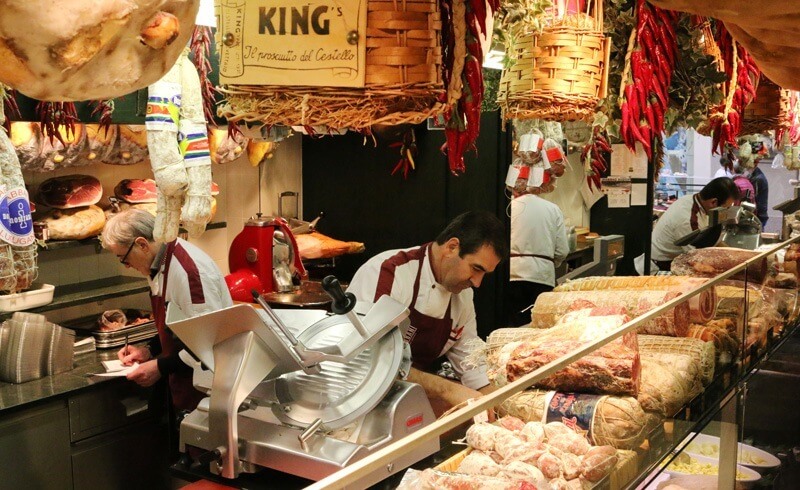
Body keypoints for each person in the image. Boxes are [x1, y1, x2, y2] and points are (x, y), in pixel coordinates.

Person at [347, 211, 508, 414]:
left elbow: (470, 361)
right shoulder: (390, 273)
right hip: (357, 402)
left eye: (484, 273)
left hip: (407, 401)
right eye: (476, 268)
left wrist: (498, 404)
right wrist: (447, 389)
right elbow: (369, 361)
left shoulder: (462, 295)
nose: (477, 282)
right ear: (452, 247)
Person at [102, 209, 233, 412]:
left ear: (142, 244)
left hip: (208, 385)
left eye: (123, 258)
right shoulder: (159, 262)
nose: (126, 266)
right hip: (184, 378)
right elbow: (179, 325)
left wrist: (160, 367)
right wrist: (150, 350)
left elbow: (209, 341)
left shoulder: (188, 272)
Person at [642, 177, 739, 273]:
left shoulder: (696, 200)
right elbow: (696, 260)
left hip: (680, 257)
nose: (726, 211)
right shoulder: (688, 219)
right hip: (660, 266)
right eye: (726, 208)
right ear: (713, 202)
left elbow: (715, 243)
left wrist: (736, 255)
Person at [506, 188, 569, 327]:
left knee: (512, 324)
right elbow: (563, 250)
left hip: (512, 275)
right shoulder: (553, 209)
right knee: (539, 325)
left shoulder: (509, 206)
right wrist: (551, 264)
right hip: (542, 277)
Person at [749, 160, 769, 228]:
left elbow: (754, 199)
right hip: (759, 215)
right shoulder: (755, 176)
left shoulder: (757, 179)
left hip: (759, 216)